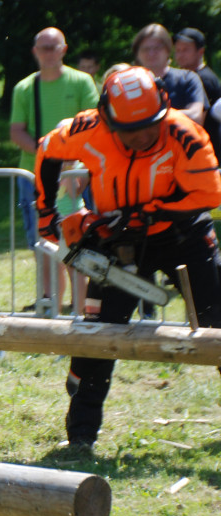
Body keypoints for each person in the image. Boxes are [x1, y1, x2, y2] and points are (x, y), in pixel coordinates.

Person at [34, 66, 221, 448]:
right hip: (121, 239)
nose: (141, 137)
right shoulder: (87, 129)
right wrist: (44, 209)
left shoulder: (184, 133)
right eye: (130, 131)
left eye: (149, 127)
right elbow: (47, 151)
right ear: (107, 118)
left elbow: (209, 194)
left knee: (217, 319)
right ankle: (81, 437)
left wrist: (150, 210)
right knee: (99, 335)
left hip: (181, 232)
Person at [9, 27, 99, 315]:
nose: (48, 53)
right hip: (33, 178)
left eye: (53, 47)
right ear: (35, 52)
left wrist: (69, 162)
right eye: (43, 47)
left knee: (76, 246)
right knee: (44, 247)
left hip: (76, 177)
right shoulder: (24, 88)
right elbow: (16, 132)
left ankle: (80, 306)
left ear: (64, 49)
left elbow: (96, 128)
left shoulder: (83, 82)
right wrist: (50, 155)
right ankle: (52, 304)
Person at [132, 23, 207, 125]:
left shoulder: (187, 79)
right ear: (137, 53)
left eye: (157, 48)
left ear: (168, 50)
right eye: (146, 49)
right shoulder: (129, 84)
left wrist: (149, 118)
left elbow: (196, 117)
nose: (151, 53)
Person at [174, 27, 221, 155]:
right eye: (178, 50)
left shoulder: (203, 79)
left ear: (201, 52)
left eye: (186, 50)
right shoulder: (186, 77)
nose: (180, 55)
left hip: (206, 153)